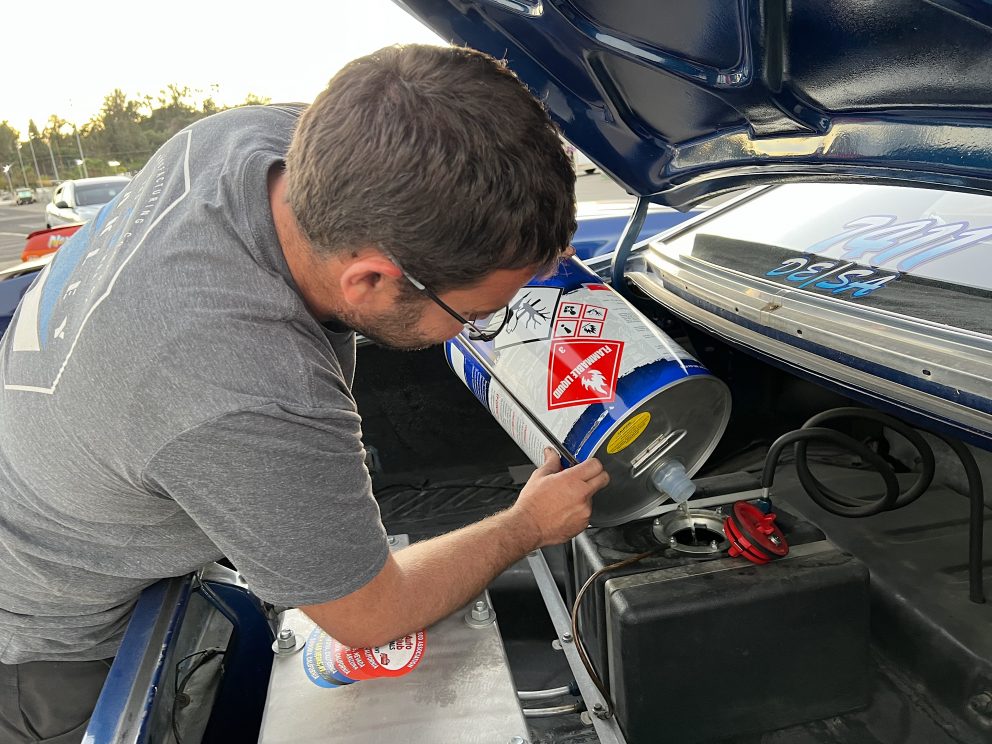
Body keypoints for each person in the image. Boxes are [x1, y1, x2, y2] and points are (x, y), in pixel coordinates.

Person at [0, 44, 608, 743]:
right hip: (51, 642)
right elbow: (370, 615)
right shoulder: (240, 382)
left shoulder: (250, 140)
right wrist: (526, 525)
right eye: (474, 315)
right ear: (370, 280)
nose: (476, 330)